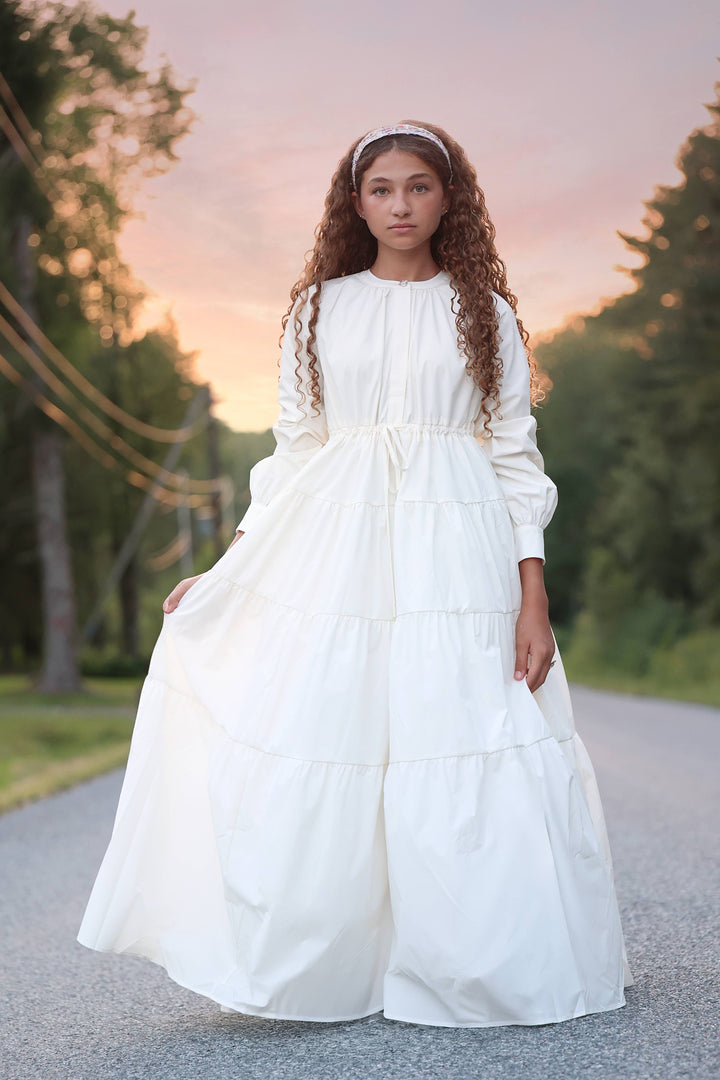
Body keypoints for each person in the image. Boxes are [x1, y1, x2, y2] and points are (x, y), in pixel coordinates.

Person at [77, 121, 634, 1028]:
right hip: (336, 545)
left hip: (456, 552)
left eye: (419, 187)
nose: (401, 205)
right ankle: (329, 964)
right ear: (355, 201)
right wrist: (233, 565)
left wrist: (532, 592)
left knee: (461, 728)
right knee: (327, 728)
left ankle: (469, 964)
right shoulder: (318, 310)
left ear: (450, 199)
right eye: (381, 189)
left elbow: (513, 455)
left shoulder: (482, 312)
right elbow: (295, 452)